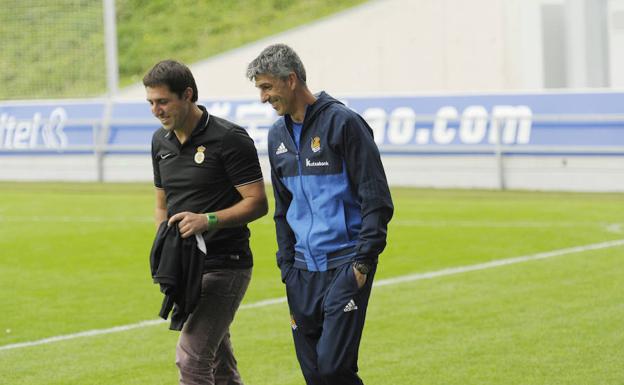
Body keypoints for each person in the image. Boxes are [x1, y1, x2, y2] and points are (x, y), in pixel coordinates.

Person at [246, 44, 393, 385]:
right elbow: (282, 209)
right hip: (300, 272)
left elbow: (377, 199)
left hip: (345, 264)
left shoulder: (344, 123)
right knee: (314, 374)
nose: (263, 98)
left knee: (333, 369)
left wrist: (362, 264)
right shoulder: (276, 136)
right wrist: (286, 265)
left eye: (267, 87)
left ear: (291, 80)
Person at [144, 59, 268, 385]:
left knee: (191, 357)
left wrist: (207, 220)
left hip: (227, 264)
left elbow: (258, 203)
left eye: (162, 101)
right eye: (151, 103)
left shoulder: (229, 138)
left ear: (187, 94)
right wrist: (165, 246)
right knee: (220, 367)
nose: (156, 110)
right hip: (188, 269)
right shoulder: (160, 142)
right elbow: (162, 204)